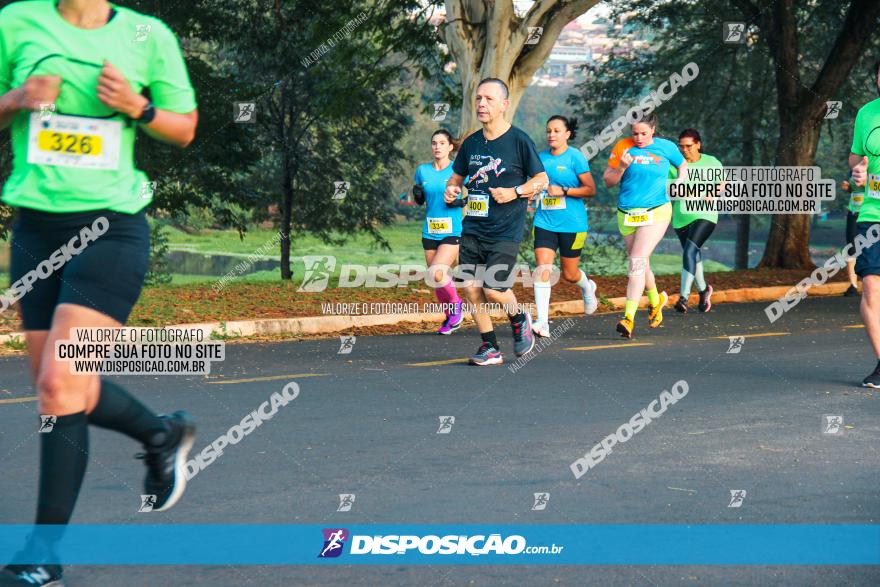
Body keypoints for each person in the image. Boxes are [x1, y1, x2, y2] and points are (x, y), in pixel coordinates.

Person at [0, 1, 198, 585]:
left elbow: (184, 127)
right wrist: (15, 99)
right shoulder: (15, 22)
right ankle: (162, 434)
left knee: (60, 382)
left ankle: (42, 553)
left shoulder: (147, 34)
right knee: (61, 389)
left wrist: (138, 106)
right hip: (36, 229)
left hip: (112, 226)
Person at [444, 77, 548, 366]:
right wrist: (452, 189)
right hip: (473, 227)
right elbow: (456, 178)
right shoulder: (472, 143)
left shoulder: (519, 141)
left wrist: (514, 191)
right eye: (478, 98)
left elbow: (541, 180)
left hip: (505, 230)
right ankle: (490, 347)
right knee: (471, 288)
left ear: (504, 105)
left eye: (489, 99)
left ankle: (519, 317)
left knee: (493, 288)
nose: (481, 103)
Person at [603, 113, 686, 338]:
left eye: (643, 133)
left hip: (657, 210)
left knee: (636, 261)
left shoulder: (666, 148)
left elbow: (683, 164)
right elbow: (608, 181)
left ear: (653, 130)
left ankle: (628, 317)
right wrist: (620, 167)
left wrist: (679, 181)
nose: (638, 138)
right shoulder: (623, 147)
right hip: (627, 213)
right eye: (634, 133)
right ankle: (656, 299)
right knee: (641, 262)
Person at [531, 115, 598, 337]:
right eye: (549, 130)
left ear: (567, 134)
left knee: (569, 274)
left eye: (557, 131)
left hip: (572, 224)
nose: (551, 134)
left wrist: (564, 191)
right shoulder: (540, 158)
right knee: (543, 267)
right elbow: (534, 184)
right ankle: (542, 322)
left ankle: (588, 287)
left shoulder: (575, 157)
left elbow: (590, 189)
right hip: (545, 222)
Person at [413, 129, 465, 334]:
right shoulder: (422, 170)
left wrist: (459, 202)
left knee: (438, 272)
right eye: (434, 143)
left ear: (450, 147)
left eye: (442, 143)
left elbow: (474, 196)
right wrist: (417, 196)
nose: (437, 147)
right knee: (435, 279)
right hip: (430, 230)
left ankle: (457, 307)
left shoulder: (457, 171)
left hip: (452, 230)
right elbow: (422, 200)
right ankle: (450, 318)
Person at [850, 59, 880, 388]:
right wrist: (858, 169)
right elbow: (856, 157)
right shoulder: (866, 114)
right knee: (871, 286)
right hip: (873, 212)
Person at [669, 128, 722, 314]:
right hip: (681, 218)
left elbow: (722, 184)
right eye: (681, 146)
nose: (684, 150)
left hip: (705, 214)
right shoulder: (674, 166)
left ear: (698, 144)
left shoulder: (711, 162)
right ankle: (704, 290)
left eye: (688, 146)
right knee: (694, 254)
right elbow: (668, 190)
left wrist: (713, 192)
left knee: (690, 251)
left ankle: (683, 297)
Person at [840, 174, 863, 297]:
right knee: (852, 248)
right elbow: (852, 188)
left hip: (872, 214)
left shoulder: (876, 165)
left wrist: (866, 183)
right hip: (854, 213)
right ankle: (853, 286)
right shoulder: (855, 168)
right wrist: (847, 187)